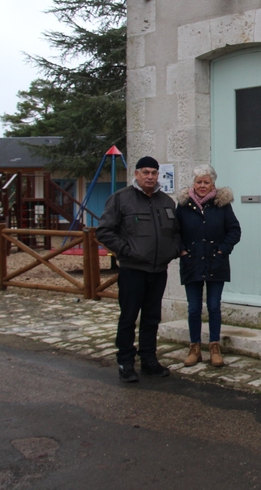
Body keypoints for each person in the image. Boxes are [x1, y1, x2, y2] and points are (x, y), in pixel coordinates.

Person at [96, 156, 180, 383]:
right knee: (129, 317)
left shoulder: (166, 202)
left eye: (154, 173)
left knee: (152, 318)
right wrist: (127, 251)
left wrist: (172, 251)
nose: (150, 177)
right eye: (145, 172)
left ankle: (149, 359)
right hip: (132, 270)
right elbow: (104, 232)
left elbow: (176, 233)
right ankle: (125, 361)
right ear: (136, 174)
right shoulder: (120, 199)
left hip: (158, 270)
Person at [175, 164, 241, 367]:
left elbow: (234, 230)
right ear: (193, 183)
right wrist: (182, 251)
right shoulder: (184, 206)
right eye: (199, 182)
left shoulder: (222, 205)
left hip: (215, 262)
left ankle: (214, 347)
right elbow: (174, 232)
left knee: (213, 306)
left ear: (213, 184)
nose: (202, 186)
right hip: (192, 262)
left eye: (206, 182)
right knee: (194, 308)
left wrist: (223, 249)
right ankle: (194, 348)